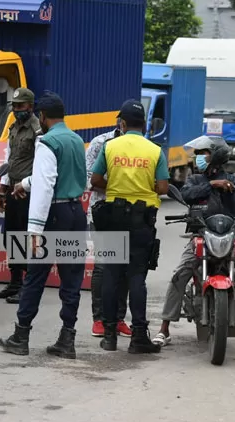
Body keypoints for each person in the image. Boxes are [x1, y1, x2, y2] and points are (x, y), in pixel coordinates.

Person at [152, 135, 235, 354]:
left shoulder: (233, 181)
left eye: (204, 153)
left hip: (230, 236)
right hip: (201, 236)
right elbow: (186, 195)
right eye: (199, 153)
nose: (199, 157)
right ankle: (165, 328)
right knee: (180, 273)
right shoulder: (195, 180)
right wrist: (211, 185)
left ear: (216, 156)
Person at [0, 92, 88, 359]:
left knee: (35, 277)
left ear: (43, 117)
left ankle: (21, 335)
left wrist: (35, 230)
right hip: (75, 213)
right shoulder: (75, 140)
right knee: (71, 279)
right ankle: (67, 338)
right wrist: (24, 184)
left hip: (54, 216)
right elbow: (72, 178)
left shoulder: (47, 141)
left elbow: (46, 185)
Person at [90, 99, 168, 354]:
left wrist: (115, 187)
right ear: (144, 124)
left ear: (122, 123)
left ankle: (109, 335)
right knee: (137, 278)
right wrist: (144, 188)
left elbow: (96, 179)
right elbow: (163, 188)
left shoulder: (111, 147)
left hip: (113, 218)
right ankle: (138, 337)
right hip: (142, 221)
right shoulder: (155, 151)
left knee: (111, 276)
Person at [0, 88, 41, 304]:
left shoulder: (37, 130)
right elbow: (9, 159)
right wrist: (3, 187)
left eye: (20, 106)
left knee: (25, 236)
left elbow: (41, 163)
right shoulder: (14, 127)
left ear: (30, 106)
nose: (15, 109)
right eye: (14, 105)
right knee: (11, 236)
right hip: (12, 188)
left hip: (28, 191)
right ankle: (14, 283)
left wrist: (27, 185)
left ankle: (27, 287)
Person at [85, 121, 131, 338]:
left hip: (129, 214)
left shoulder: (138, 145)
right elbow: (88, 179)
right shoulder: (99, 143)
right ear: (120, 123)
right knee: (103, 267)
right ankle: (99, 320)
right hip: (102, 212)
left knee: (124, 268)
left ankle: (119, 318)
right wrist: (121, 184)